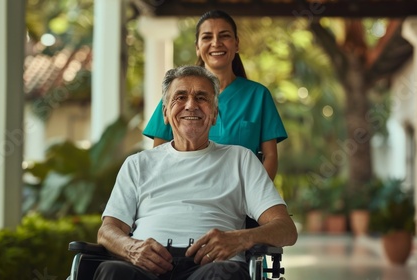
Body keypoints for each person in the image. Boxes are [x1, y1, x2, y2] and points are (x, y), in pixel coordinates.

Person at [94, 65, 297, 280]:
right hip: (145, 266)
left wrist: (241, 239)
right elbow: (107, 231)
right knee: (112, 272)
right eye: (180, 97)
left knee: (224, 276)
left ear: (215, 115)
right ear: (165, 113)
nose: (191, 105)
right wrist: (130, 248)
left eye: (201, 98)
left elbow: (286, 229)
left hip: (214, 266)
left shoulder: (241, 159)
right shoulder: (138, 164)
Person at [143, 10, 287, 180]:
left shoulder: (258, 96)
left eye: (224, 36)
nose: (216, 43)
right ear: (197, 47)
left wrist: (255, 199)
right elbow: (158, 156)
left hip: (241, 201)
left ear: (236, 44)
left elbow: (270, 157)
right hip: (186, 196)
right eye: (207, 37)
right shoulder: (177, 96)